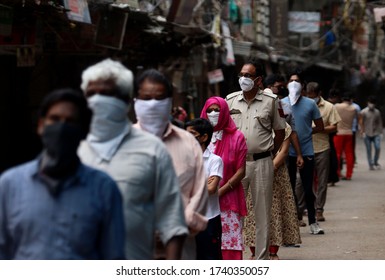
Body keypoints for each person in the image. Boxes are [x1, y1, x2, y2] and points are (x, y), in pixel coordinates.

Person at [78, 59, 188, 260]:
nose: (99, 100)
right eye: (92, 94)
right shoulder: (73, 150)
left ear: (126, 100)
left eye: (108, 94)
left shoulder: (152, 150)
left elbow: (173, 222)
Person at [0, 88, 125, 259]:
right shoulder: (10, 184)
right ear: (41, 126)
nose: (61, 128)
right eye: (55, 119)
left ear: (84, 132)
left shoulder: (104, 189)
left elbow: (113, 257)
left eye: (70, 121)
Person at [133, 68, 208, 260]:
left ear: (169, 102)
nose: (152, 104)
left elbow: (200, 192)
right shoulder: (121, 143)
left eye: (159, 99)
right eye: (146, 98)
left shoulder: (189, 142)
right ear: (135, 101)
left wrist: (176, 228)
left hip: (182, 248)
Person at [226, 58, 286, 260]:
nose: (243, 78)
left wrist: (270, 153)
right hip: (235, 164)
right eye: (241, 75)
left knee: (262, 213)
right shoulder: (230, 100)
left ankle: (261, 260)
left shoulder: (271, 102)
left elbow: (279, 132)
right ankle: (234, 258)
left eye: (248, 75)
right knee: (233, 212)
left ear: (258, 79)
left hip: (261, 162)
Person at [200, 96, 248, 260]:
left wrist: (220, 191)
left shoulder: (237, 137)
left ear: (225, 111)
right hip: (202, 200)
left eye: (217, 110)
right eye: (210, 110)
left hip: (228, 198)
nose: (213, 113)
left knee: (229, 243)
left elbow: (241, 171)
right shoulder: (197, 138)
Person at [281, 71, 325, 235]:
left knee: (308, 189)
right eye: (291, 81)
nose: (294, 84)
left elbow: (320, 126)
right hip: (287, 152)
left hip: (306, 151)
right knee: (289, 189)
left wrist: (306, 133)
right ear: (287, 84)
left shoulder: (310, 104)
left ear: (303, 85)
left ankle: (313, 222)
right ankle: (291, 224)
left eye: (297, 81)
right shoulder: (281, 103)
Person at [185, 118, 224, 260]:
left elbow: (211, 189)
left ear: (204, 137)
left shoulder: (215, 160)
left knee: (210, 258)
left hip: (209, 218)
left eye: (191, 134)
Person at [305, 82, 341, 222]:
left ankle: (319, 209)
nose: (310, 98)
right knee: (303, 182)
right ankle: (304, 208)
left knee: (322, 181)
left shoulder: (329, 107)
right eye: (308, 95)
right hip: (305, 148)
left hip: (322, 148)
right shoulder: (302, 105)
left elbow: (334, 127)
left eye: (313, 96)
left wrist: (319, 129)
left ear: (319, 94)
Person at [334, 93, 358, 180]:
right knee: (349, 154)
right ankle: (349, 174)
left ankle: (337, 172)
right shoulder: (354, 108)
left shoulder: (337, 106)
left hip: (339, 133)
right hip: (349, 132)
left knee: (337, 154)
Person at [359, 95, 383, 170]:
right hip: (367, 133)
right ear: (367, 103)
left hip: (376, 133)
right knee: (369, 150)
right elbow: (360, 122)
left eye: (373, 103)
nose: (371, 104)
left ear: (375, 104)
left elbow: (380, 122)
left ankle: (375, 161)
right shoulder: (363, 112)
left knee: (378, 147)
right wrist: (362, 132)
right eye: (370, 102)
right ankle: (370, 164)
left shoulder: (377, 112)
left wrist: (381, 132)